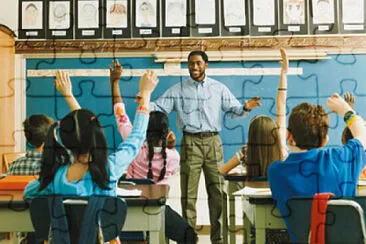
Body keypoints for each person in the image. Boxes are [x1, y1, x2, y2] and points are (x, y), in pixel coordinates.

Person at [149, 50, 262, 243]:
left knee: (217, 192)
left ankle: (217, 239)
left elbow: (235, 110)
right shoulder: (178, 89)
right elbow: (159, 107)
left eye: (198, 63)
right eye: (191, 63)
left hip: (213, 142)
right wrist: (144, 100)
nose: (194, 67)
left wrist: (246, 108)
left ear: (206, 65)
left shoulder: (218, 88)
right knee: (188, 195)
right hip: (190, 142)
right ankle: (189, 238)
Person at [24, 68, 158, 200]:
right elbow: (135, 139)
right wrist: (146, 94)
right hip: (102, 223)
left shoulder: (54, 179)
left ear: (65, 141)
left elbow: (28, 192)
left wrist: (68, 95)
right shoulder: (109, 170)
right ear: (96, 137)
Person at [109, 60, 197, 243]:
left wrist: (114, 82)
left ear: (144, 129)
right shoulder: (173, 157)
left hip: (128, 208)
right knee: (190, 236)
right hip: (157, 208)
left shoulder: (131, 145)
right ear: (167, 133)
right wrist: (169, 146)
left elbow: (119, 112)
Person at [268, 90, 366, 242]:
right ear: (325, 140)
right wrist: (346, 110)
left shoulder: (275, 172)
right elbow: (362, 134)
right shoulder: (342, 158)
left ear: (289, 136)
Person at [220, 48, 289, 178]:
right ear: (274, 131)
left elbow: (222, 171)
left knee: (232, 187)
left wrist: (238, 171)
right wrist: (284, 73)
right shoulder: (281, 149)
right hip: (277, 197)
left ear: (251, 134)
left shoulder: (246, 151)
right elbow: (281, 104)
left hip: (252, 197)